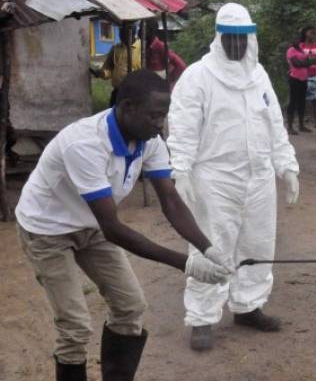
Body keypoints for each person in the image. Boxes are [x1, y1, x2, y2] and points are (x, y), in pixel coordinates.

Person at [15, 69, 233, 381]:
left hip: (90, 226)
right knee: (75, 325)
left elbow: (170, 201)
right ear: (127, 107)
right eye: (154, 116)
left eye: (163, 116)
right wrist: (187, 264)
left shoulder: (149, 140)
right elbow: (113, 228)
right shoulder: (85, 143)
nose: (160, 124)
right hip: (47, 230)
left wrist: (208, 248)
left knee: (130, 307)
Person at [167, 3, 300, 352]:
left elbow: (274, 124)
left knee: (258, 243)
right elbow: (182, 127)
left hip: (258, 177)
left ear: (251, 38)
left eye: (244, 38)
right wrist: (179, 169)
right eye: (232, 39)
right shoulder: (198, 76)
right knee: (212, 244)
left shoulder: (259, 76)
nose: (238, 46)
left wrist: (286, 165)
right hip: (215, 177)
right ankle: (201, 317)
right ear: (220, 38)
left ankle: (248, 305)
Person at [91, 26, 142, 107]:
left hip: (135, 93)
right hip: (118, 91)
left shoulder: (141, 49)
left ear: (133, 34)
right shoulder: (116, 48)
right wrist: (102, 73)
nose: (121, 37)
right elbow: (109, 68)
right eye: (120, 34)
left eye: (124, 34)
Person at [142, 18, 187, 90]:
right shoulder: (144, 46)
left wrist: (170, 79)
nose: (139, 31)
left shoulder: (160, 46)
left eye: (143, 29)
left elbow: (181, 65)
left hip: (159, 87)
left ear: (151, 30)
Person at [286, 35, 316, 134]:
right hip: (294, 78)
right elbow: (296, 64)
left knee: (302, 102)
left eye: (298, 39)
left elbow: (308, 61)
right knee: (293, 102)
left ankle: (301, 125)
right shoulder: (291, 50)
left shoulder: (301, 50)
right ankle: (290, 127)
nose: (297, 40)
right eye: (295, 39)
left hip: (303, 79)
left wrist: (305, 62)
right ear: (292, 40)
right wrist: (306, 62)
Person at [300, 26, 316, 128]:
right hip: (304, 74)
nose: (313, 34)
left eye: (314, 33)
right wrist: (312, 61)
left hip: (315, 74)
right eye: (311, 32)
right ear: (305, 33)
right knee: (307, 99)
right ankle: (310, 118)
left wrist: (311, 61)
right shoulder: (301, 46)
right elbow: (300, 60)